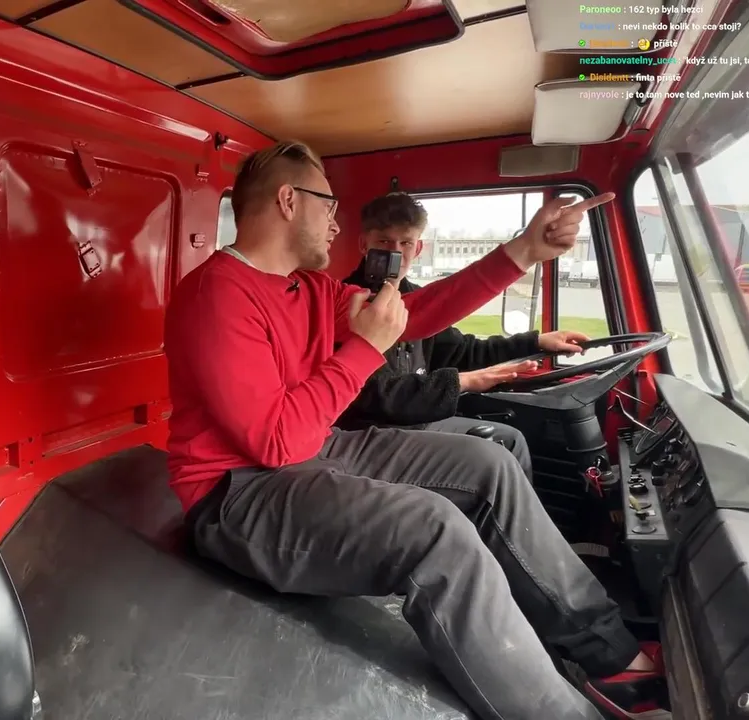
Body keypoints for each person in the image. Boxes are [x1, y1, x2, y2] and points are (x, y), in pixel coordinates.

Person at [163, 139, 664, 720]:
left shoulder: (310, 287)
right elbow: (275, 442)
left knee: (490, 465)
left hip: (313, 449)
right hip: (235, 491)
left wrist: (524, 251)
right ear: (287, 201)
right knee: (434, 531)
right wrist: (363, 349)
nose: (336, 223)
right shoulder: (217, 294)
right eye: (328, 206)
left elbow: (413, 315)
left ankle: (608, 653)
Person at [334, 192, 593, 480]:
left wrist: (535, 342)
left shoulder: (418, 299)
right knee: (495, 460)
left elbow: (461, 351)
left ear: (418, 248)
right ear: (364, 244)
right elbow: (373, 396)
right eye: (384, 242)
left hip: (417, 422)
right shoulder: (345, 305)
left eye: (405, 243)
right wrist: (464, 381)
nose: (396, 253)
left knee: (511, 440)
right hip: (370, 432)